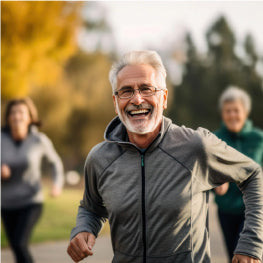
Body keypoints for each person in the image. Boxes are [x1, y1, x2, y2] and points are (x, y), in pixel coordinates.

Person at [67, 50, 263, 263]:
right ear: (116, 102)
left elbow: (252, 175)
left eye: (146, 88)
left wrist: (252, 243)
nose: (137, 98)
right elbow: (91, 207)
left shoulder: (196, 147)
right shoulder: (99, 158)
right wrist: (84, 228)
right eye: (126, 91)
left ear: (164, 97)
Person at [1, 97, 64, 263]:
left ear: (30, 117)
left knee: (19, 243)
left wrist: (57, 185)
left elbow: (55, 163)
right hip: (6, 204)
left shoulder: (39, 140)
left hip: (31, 201)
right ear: (8, 117)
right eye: (13, 112)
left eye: (21, 112)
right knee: (16, 247)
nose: (16, 116)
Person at [213, 86, 263, 262]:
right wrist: (216, 184)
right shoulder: (214, 139)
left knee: (247, 257)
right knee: (232, 256)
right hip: (226, 210)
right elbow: (207, 173)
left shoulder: (259, 139)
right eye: (228, 111)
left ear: (245, 111)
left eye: (236, 110)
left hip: (252, 210)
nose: (232, 115)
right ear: (222, 114)